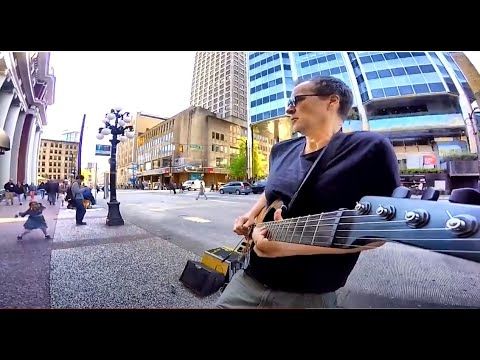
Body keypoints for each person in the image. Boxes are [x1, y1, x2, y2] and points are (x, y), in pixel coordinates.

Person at [215, 76, 400, 309]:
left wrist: (280, 249)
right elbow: (272, 192)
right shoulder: (281, 150)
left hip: (309, 295)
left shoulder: (370, 148)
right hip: (248, 281)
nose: (288, 108)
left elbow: (377, 235)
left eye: (297, 100)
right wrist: (250, 216)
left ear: (332, 101)